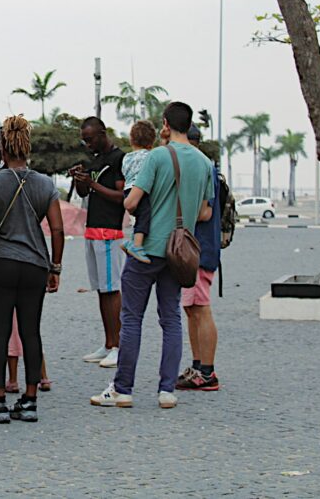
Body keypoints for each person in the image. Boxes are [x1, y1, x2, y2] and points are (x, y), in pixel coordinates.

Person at [91, 102, 214, 410]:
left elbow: (131, 203)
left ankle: (123, 389)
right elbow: (203, 211)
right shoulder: (203, 162)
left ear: (166, 124)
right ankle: (166, 390)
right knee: (170, 317)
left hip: (147, 251)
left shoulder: (158, 156)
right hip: (179, 252)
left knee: (132, 318)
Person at [0, 115, 64, 424]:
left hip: (1, 264)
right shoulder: (44, 184)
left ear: (4, 146)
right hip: (35, 265)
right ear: (27, 146)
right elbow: (56, 230)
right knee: (30, 331)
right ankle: (29, 399)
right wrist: (56, 267)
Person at [69, 116, 125, 369]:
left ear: (103, 133)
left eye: (90, 139)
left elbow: (122, 196)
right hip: (92, 229)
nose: (87, 144)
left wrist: (92, 183)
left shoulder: (118, 159)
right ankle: (108, 343)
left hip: (110, 231)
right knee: (101, 289)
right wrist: (79, 179)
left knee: (112, 289)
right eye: (84, 140)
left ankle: (119, 346)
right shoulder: (95, 161)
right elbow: (84, 193)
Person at [177, 124, 222, 391]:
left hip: (199, 249)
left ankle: (207, 371)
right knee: (192, 308)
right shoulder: (206, 167)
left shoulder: (203, 168)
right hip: (199, 248)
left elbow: (204, 213)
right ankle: (198, 366)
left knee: (200, 308)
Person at [120, 120, 157, 263]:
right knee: (144, 216)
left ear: (131, 140)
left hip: (128, 189)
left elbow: (124, 173)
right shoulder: (150, 156)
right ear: (151, 142)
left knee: (139, 218)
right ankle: (137, 246)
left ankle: (131, 241)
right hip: (140, 190)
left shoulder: (126, 157)